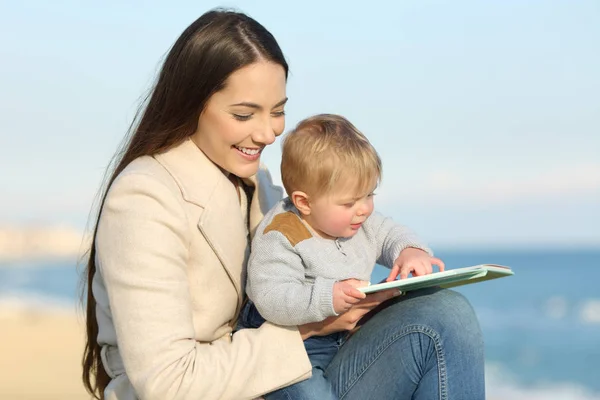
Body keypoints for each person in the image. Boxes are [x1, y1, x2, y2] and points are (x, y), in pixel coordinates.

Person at [80, 8, 486, 400]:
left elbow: (358, 235)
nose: (268, 133)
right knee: (443, 322)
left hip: (287, 373)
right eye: (244, 114)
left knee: (445, 313)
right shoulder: (144, 197)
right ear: (192, 104)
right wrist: (313, 324)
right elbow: (168, 382)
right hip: (237, 385)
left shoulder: (261, 186)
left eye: (278, 111)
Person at [240, 113, 446, 399]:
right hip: (294, 347)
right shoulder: (283, 233)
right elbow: (272, 298)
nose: (363, 209)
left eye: (369, 195)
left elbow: (390, 234)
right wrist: (328, 296)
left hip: (344, 336)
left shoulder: (360, 222)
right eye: (349, 202)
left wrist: (410, 251)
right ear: (304, 202)